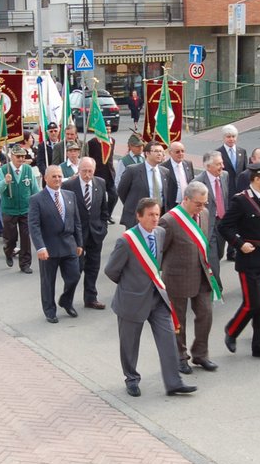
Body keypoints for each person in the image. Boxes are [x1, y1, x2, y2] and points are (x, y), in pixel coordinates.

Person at [104, 197, 197, 398]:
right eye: (151, 215)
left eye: (157, 214)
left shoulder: (161, 233)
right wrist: (131, 285)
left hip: (157, 298)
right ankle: (131, 379)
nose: (155, 219)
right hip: (132, 300)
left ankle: (174, 383)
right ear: (139, 216)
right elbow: (111, 271)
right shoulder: (126, 241)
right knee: (129, 345)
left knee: (168, 338)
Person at [219, 164, 260, 360]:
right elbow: (224, 227)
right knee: (253, 302)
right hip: (250, 259)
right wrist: (240, 244)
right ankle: (232, 330)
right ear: (257, 179)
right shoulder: (241, 200)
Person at [159, 181, 219, 374]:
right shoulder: (169, 220)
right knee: (179, 320)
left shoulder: (205, 214)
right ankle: (180, 356)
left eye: (205, 203)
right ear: (186, 199)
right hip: (177, 277)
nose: (202, 208)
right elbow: (161, 251)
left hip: (201, 273)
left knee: (205, 313)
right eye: (198, 204)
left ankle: (201, 354)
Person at [27, 164, 84, 323]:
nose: (58, 179)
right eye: (54, 176)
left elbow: (77, 222)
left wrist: (79, 243)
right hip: (49, 248)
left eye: (59, 176)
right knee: (48, 282)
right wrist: (40, 247)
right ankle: (50, 311)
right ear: (45, 179)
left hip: (69, 245)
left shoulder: (69, 195)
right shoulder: (36, 199)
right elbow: (34, 225)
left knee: (74, 276)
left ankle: (66, 300)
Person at [61, 155, 110, 308]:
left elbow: (104, 209)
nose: (87, 175)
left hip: (96, 233)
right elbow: (65, 212)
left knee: (93, 267)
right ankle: (67, 299)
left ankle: (90, 298)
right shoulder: (69, 185)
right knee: (76, 269)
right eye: (84, 171)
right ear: (79, 170)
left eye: (90, 171)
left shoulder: (100, 183)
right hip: (77, 235)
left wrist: (103, 228)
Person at [0, 143, 39, 272]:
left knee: (26, 238)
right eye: (18, 156)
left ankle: (25, 264)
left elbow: (35, 189)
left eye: (22, 156)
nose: (20, 159)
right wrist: (5, 182)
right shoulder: (4, 170)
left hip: (26, 209)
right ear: (12, 156)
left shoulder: (28, 169)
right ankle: (8, 251)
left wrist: (38, 204)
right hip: (10, 209)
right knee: (11, 237)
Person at [195, 151, 229, 287]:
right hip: (208, 224)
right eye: (218, 164)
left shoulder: (225, 176)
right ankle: (216, 289)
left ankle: (205, 274)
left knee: (220, 253)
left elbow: (225, 198)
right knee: (213, 257)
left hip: (222, 223)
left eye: (222, 163)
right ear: (208, 166)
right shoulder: (198, 182)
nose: (222, 166)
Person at [118, 140, 169, 228]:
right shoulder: (133, 170)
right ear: (147, 153)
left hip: (157, 217)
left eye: (161, 151)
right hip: (138, 218)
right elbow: (122, 191)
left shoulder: (165, 172)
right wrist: (132, 205)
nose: (160, 154)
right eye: (156, 151)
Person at [218, 124, 248, 196]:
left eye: (233, 136)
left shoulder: (242, 152)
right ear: (223, 138)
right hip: (226, 190)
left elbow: (245, 171)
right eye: (228, 137)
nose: (231, 139)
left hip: (241, 190)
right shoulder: (218, 153)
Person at [164, 139, 195, 209]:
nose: (180, 154)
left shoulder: (188, 164)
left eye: (182, 151)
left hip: (187, 203)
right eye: (177, 152)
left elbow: (192, 182)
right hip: (172, 204)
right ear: (170, 153)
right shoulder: (164, 167)